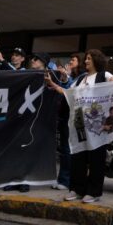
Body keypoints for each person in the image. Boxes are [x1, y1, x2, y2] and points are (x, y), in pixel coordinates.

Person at [65, 49, 113, 204]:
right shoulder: (81, 79)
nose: (86, 61)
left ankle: (93, 192)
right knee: (78, 156)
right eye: (86, 58)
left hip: (97, 124)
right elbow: (68, 93)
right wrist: (54, 84)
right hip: (79, 122)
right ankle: (77, 189)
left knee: (96, 158)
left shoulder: (104, 75)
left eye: (89, 58)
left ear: (96, 60)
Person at [44, 54, 83, 190]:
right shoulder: (74, 77)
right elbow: (63, 90)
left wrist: (66, 78)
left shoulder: (81, 77)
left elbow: (68, 92)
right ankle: (62, 179)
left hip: (73, 117)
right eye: (70, 59)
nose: (70, 62)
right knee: (64, 149)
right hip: (65, 115)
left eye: (73, 60)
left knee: (67, 149)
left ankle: (66, 180)